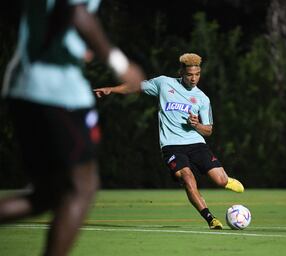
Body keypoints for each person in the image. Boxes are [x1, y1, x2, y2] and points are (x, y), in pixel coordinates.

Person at [0, 1, 144, 255]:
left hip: (22, 86)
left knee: (46, 195)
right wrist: (120, 64)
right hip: (57, 91)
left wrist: (75, 44)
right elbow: (76, 11)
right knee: (81, 187)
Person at [94, 53, 244, 229]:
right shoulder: (164, 83)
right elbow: (136, 87)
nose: (194, 78)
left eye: (197, 74)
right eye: (189, 75)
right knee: (187, 178)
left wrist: (196, 125)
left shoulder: (202, 98)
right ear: (181, 72)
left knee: (219, 181)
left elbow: (208, 130)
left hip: (196, 143)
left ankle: (226, 180)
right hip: (172, 146)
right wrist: (111, 89)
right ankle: (211, 219)